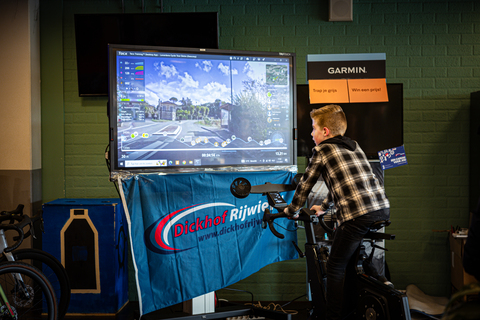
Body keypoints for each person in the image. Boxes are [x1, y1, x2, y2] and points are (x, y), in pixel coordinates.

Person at [283, 104, 390, 320]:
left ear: (325, 131)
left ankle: (332, 317)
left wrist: (291, 209)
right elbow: (345, 184)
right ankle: (351, 311)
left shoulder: (322, 150)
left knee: (334, 266)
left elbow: (305, 184)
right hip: (381, 209)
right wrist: (323, 208)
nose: (311, 133)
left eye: (313, 128)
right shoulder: (353, 146)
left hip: (357, 215)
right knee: (348, 264)